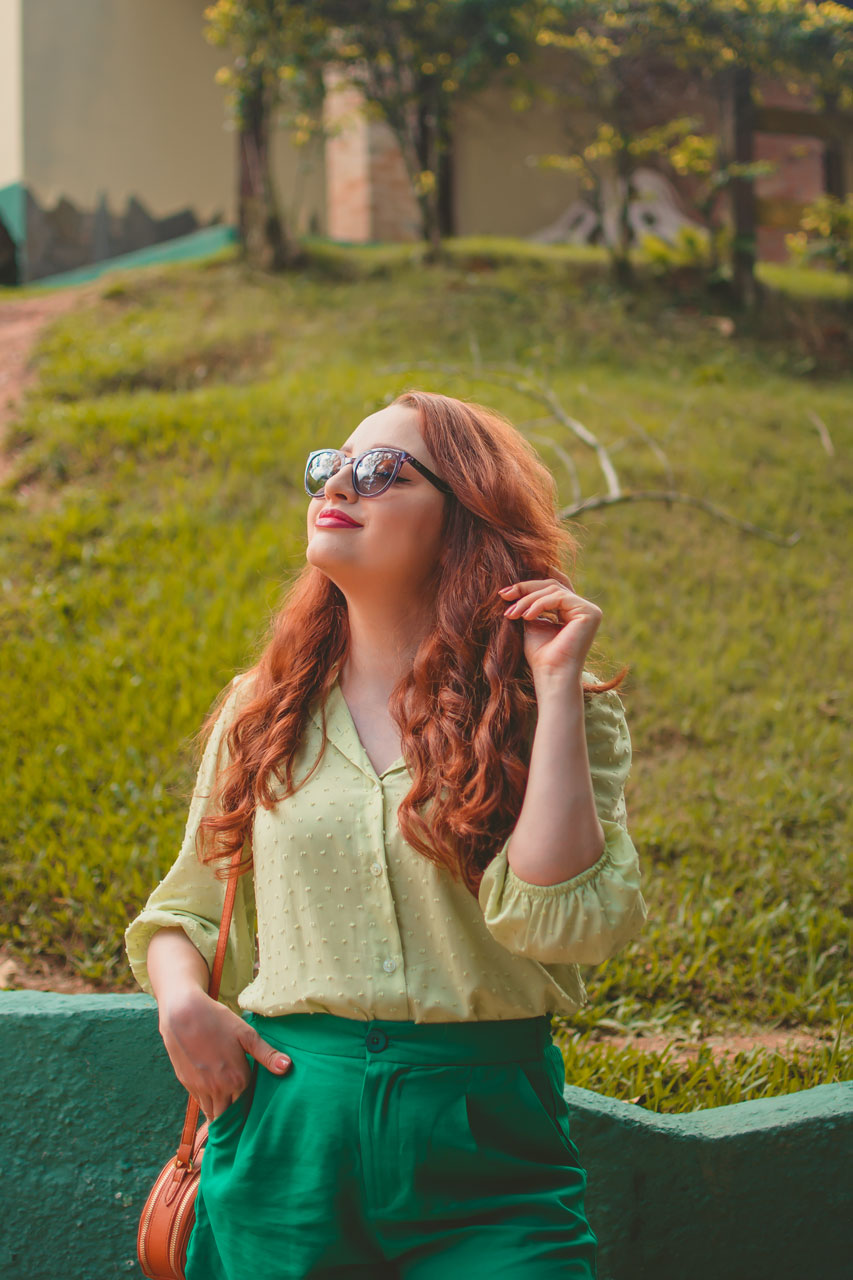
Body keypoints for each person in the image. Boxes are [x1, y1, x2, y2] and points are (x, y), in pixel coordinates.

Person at [125, 388, 648, 1280]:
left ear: (464, 524)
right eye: (331, 466)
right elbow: (190, 908)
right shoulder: (264, 713)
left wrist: (555, 693)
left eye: (382, 471)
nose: (341, 484)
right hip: (290, 1135)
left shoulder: (551, 713)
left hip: (488, 1141)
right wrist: (182, 1005)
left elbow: (565, 926)